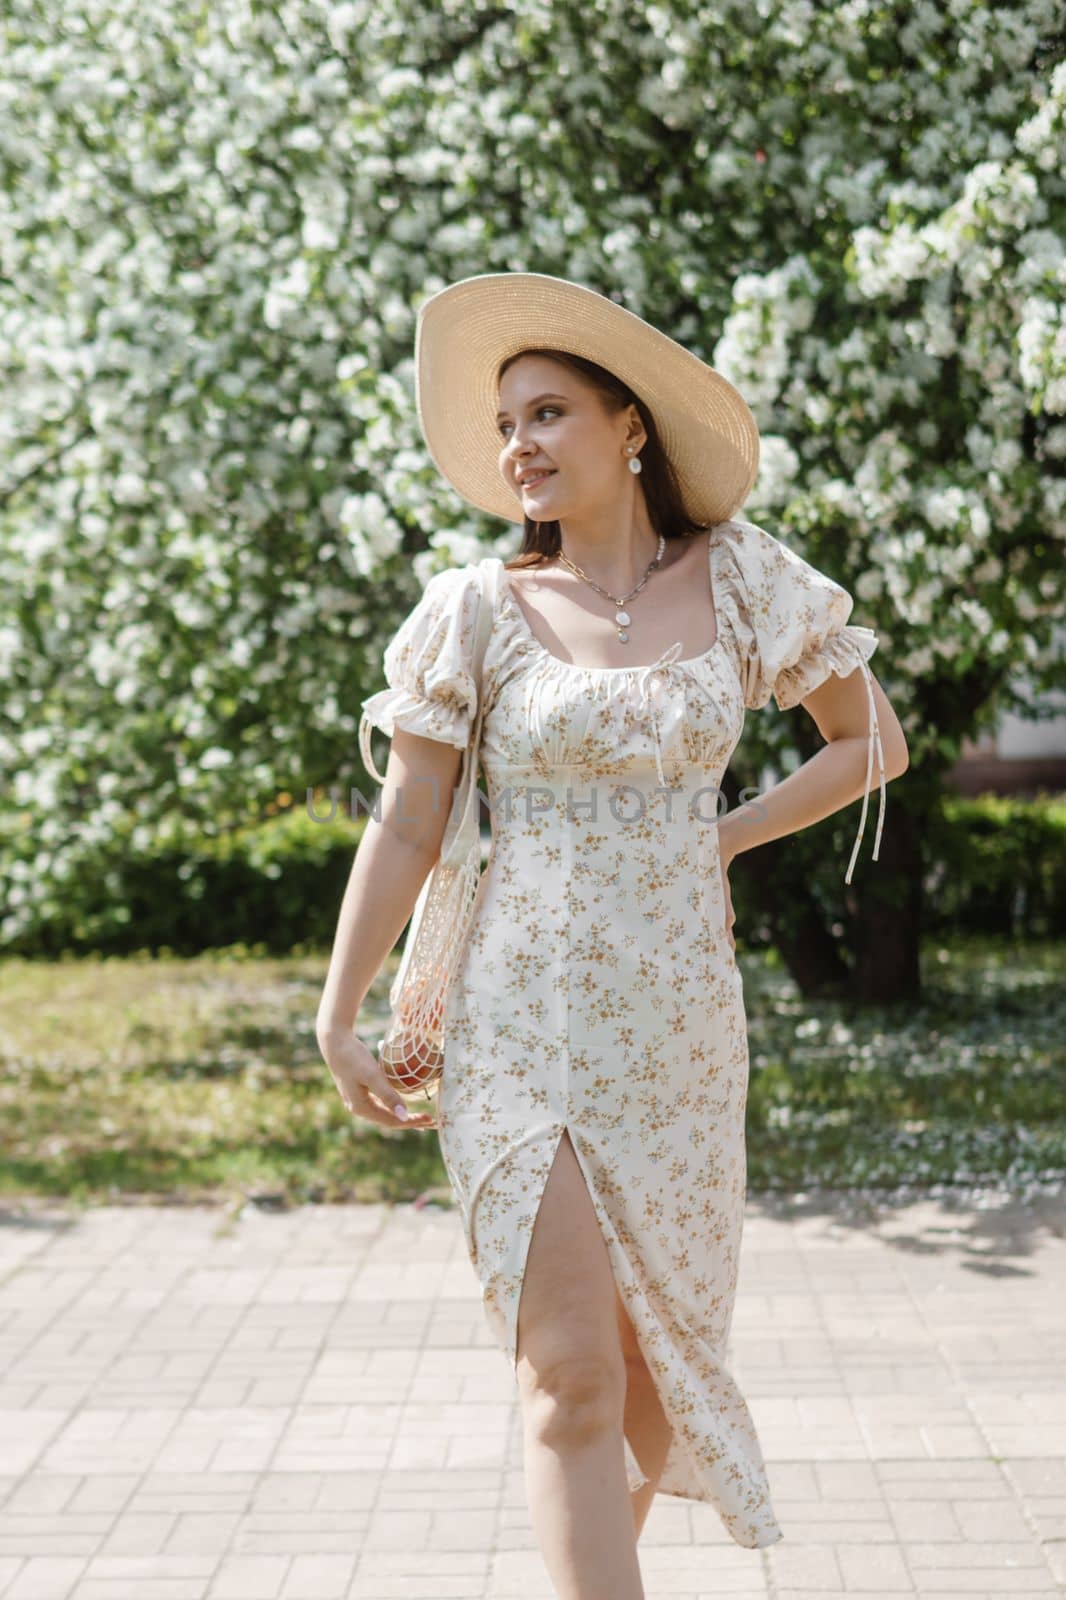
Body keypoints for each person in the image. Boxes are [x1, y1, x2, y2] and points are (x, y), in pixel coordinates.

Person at [316, 273, 910, 1599]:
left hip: (682, 1034)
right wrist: (340, 1006)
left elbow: (871, 740)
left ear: (630, 427)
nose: (517, 444)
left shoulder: (746, 577)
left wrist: (718, 837)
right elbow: (409, 818)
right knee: (571, 1377)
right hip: (515, 1025)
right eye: (503, 423)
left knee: (651, 1378)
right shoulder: (470, 610)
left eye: (547, 413)